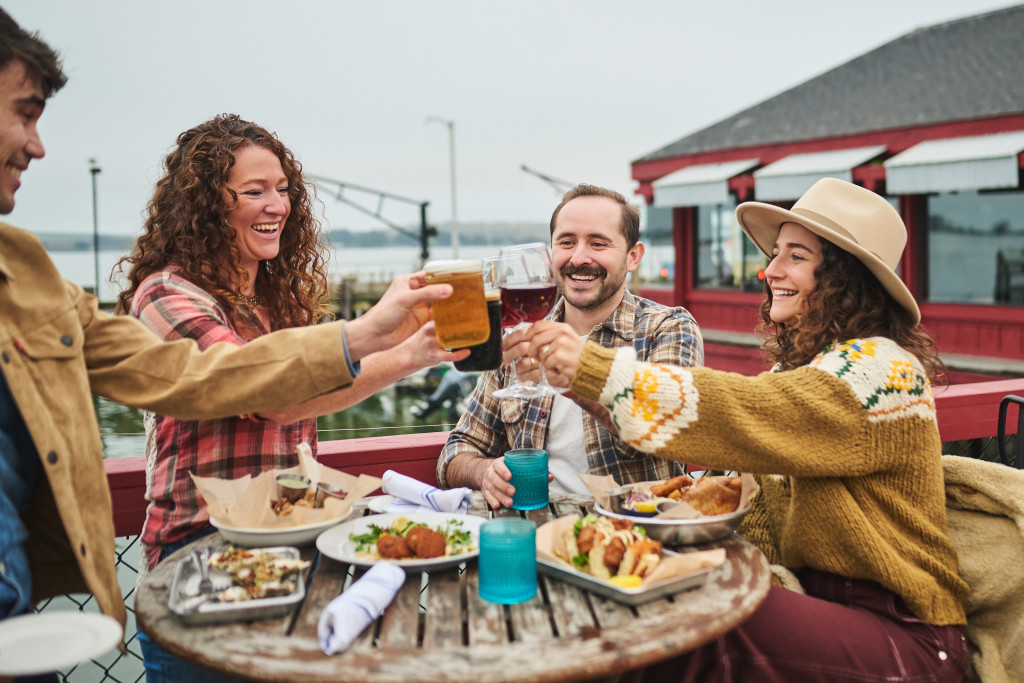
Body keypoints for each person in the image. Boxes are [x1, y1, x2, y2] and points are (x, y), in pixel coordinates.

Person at [0, 9, 452, 677]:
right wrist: (371, 333)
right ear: (209, 205)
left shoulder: (264, 304)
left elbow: (292, 393)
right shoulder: (166, 294)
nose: (278, 205)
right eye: (255, 192)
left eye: (284, 190)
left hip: (286, 550)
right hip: (202, 558)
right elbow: (250, 388)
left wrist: (410, 353)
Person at [525, 178, 969, 682]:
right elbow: (744, 472)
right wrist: (586, 393)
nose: (770, 270)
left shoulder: (885, 372)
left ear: (846, 277)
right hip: (823, 610)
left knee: (696, 620)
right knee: (659, 597)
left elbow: (745, 411)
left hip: (905, 637)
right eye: (775, 253)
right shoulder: (805, 371)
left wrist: (594, 369)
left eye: (795, 256)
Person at [438, 184, 703, 509]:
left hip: (636, 539)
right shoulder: (519, 336)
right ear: (551, 252)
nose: (579, 258)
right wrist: (483, 472)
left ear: (633, 256)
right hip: (534, 536)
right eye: (566, 242)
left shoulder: (667, 328)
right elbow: (457, 450)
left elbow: (673, 436)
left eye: (597, 243)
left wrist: (573, 380)